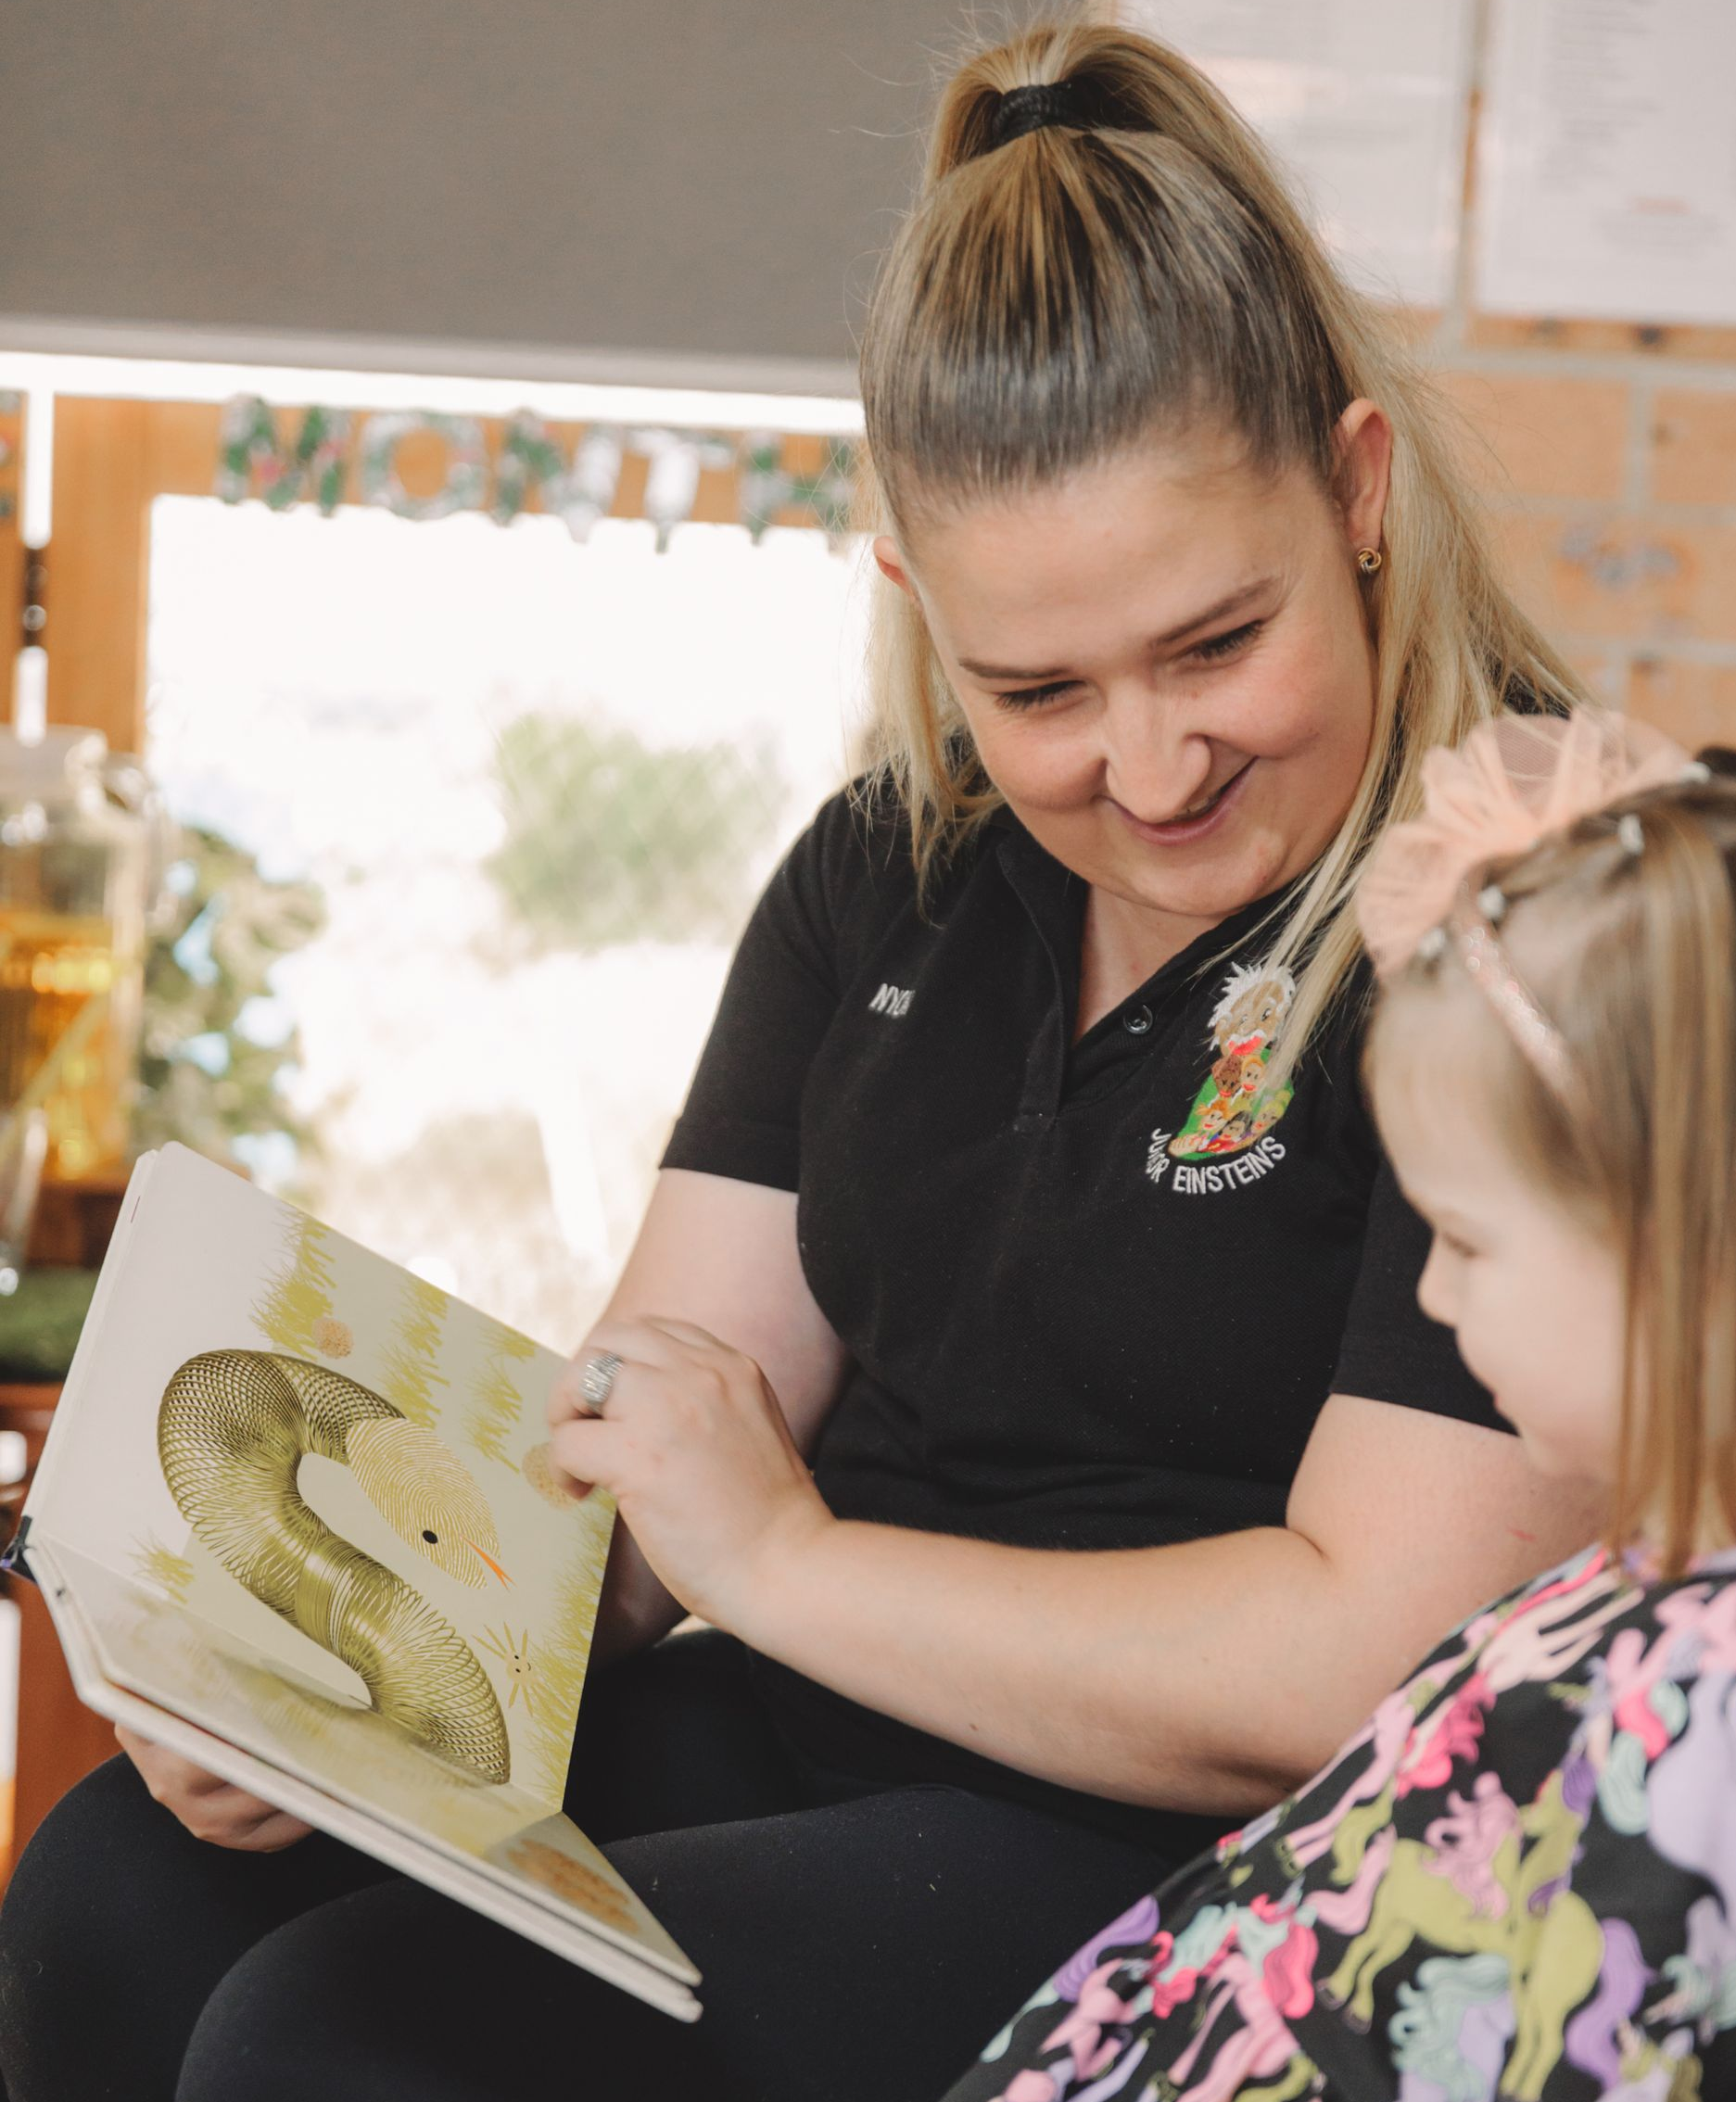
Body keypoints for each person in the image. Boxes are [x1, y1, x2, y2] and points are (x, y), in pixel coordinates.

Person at [0, 23, 1605, 2102]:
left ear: (1361, 491)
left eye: (1218, 645)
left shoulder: (1539, 896)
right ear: (916, 609)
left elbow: (1361, 1658)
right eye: (1037, 686)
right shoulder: (893, 864)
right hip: (823, 1734)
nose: (1147, 765)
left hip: (1232, 1849)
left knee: (349, 2046)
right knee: (115, 1893)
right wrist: (326, 1683)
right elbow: (657, 1467)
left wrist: (791, 1563)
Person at [945, 709, 1736, 2102]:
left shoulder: (1735, 1700)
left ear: (1679, 1246)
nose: (1437, 1301)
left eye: (1470, 1238)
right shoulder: (1642, 1579)